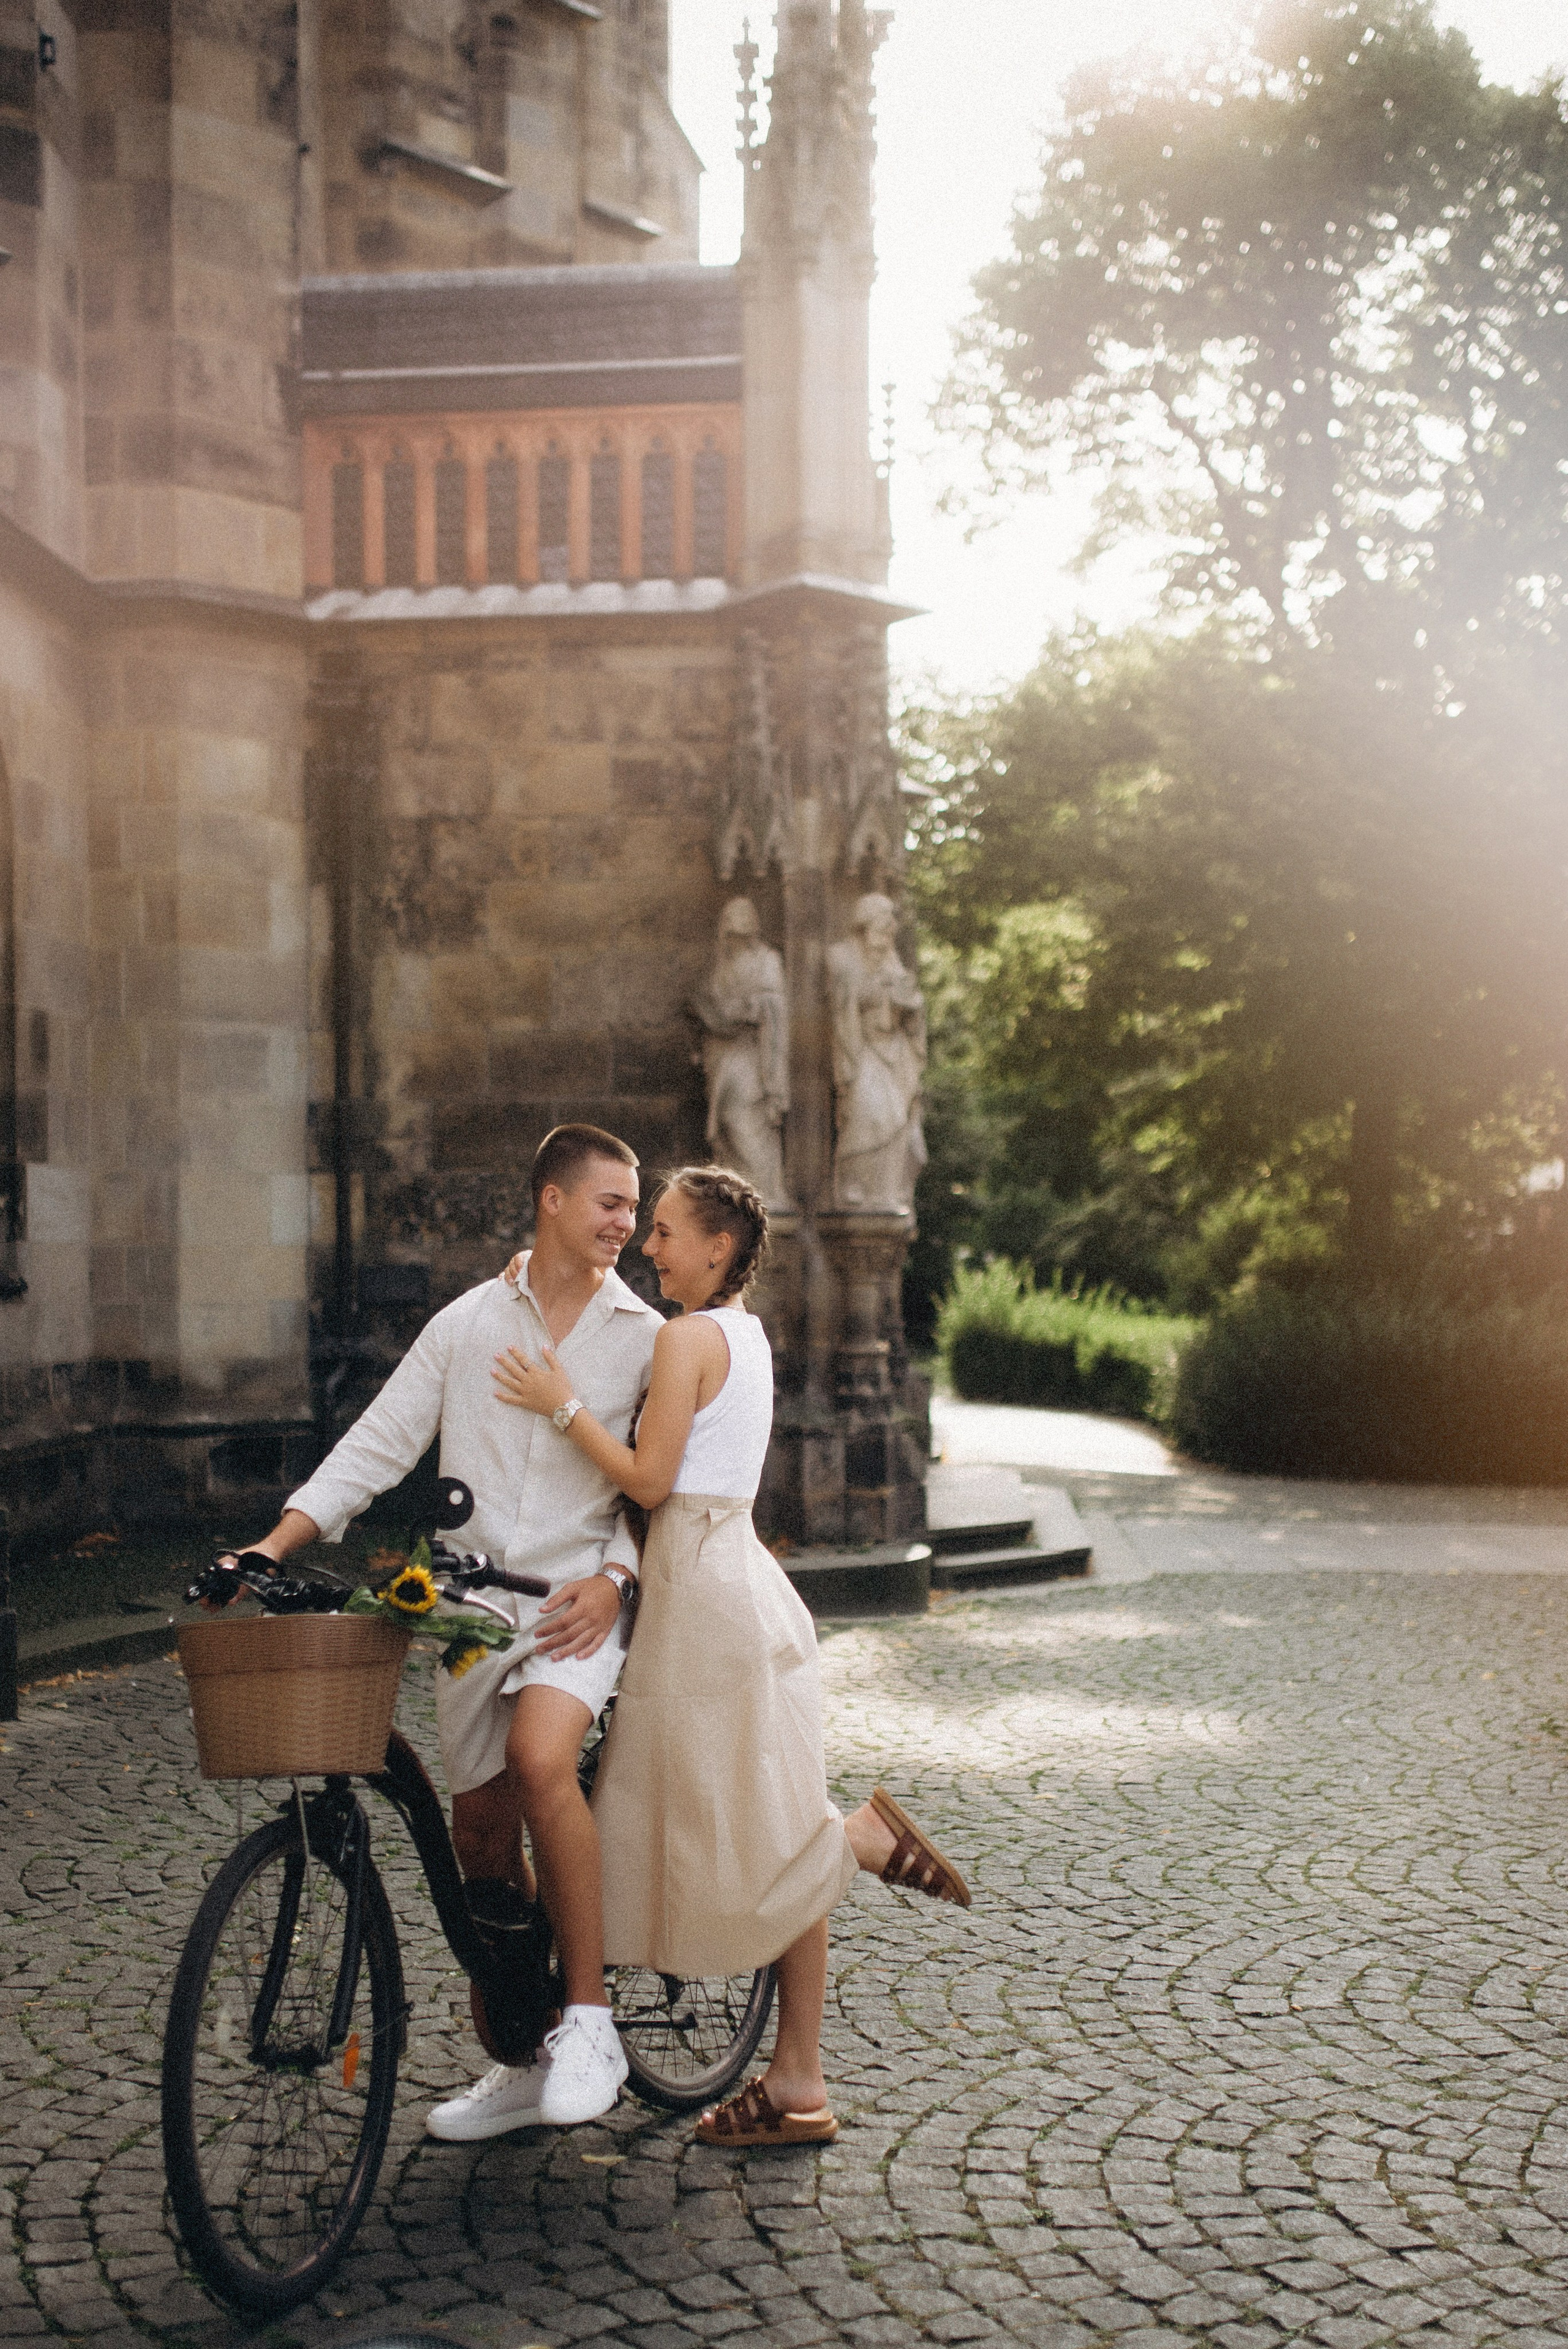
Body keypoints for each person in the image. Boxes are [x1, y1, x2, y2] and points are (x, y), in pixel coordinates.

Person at [493, 1164, 970, 2146]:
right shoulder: (743, 1335)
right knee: (769, 1821)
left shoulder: (684, 1337)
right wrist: (537, 1277)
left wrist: (558, 1404)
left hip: (702, 1601)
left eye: (666, 1232)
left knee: (714, 1832)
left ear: (719, 1248)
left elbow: (650, 1479)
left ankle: (860, 1846)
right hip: (742, 1582)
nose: (651, 1247)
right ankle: (799, 2080)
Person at [235, 1123, 663, 2136]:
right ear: (551, 1200)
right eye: (609, 1202)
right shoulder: (468, 1325)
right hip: (469, 1610)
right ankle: (519, 2060)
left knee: (539, 1760)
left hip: (575, 1606)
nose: (626, 1223)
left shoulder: (643, 1336)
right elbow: (376, 1445)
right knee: (478, 1837)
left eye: (635, 1209)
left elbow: (658, 1487)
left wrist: (617, 1577)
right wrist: (273, 1544)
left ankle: (592, 2019)